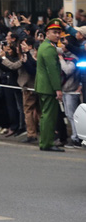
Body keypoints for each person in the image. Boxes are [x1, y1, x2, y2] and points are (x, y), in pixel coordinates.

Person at [35, 18, 64, 152]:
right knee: (48, 116)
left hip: (43, 86)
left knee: (46, 115)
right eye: (54, 32)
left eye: (59, 32)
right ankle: (46, 143)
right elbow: (52, 71)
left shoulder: (46, 46)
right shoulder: (48, 48)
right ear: (47, 33)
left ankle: (46, 141)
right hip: (48, 87)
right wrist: (58, 88)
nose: (57, 35)